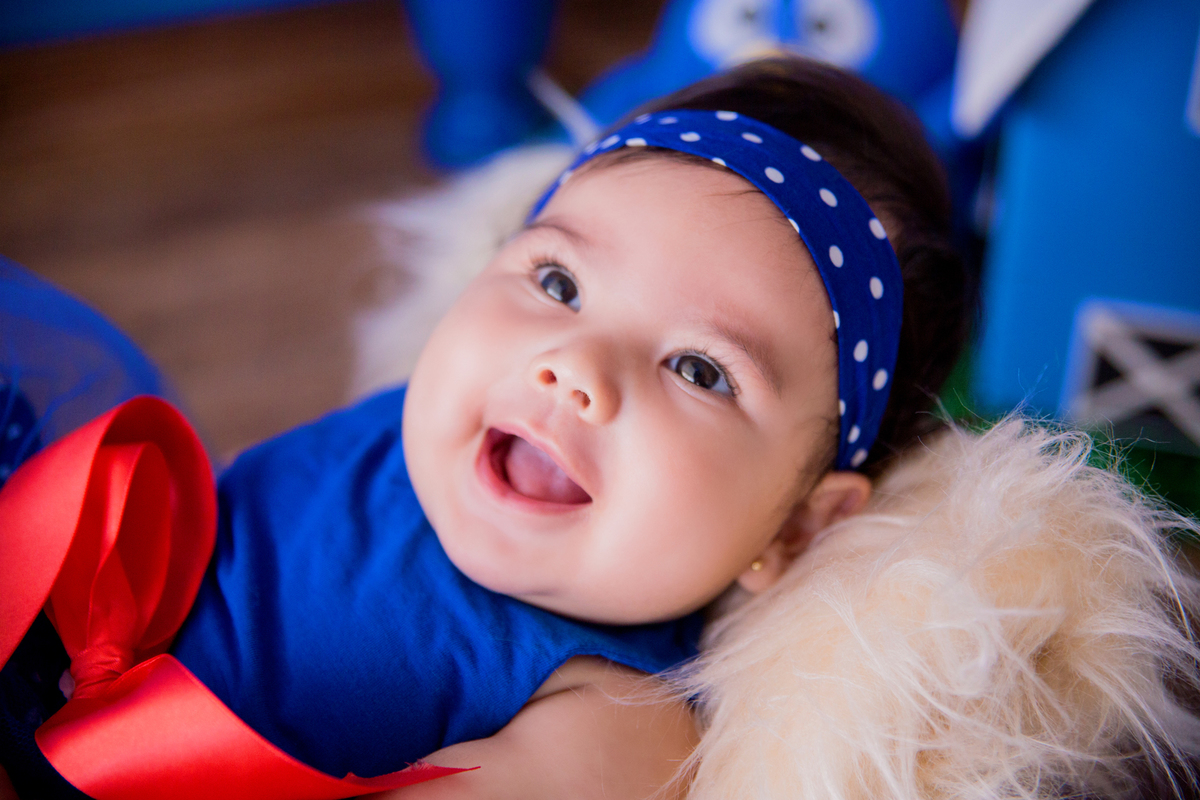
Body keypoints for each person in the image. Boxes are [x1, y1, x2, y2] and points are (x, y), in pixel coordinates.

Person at [0, 56, 971, 799]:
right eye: (559, 283)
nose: (575, 366)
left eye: (700, 368)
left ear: (794, 528)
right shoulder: (437, 418)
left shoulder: (617, 725)